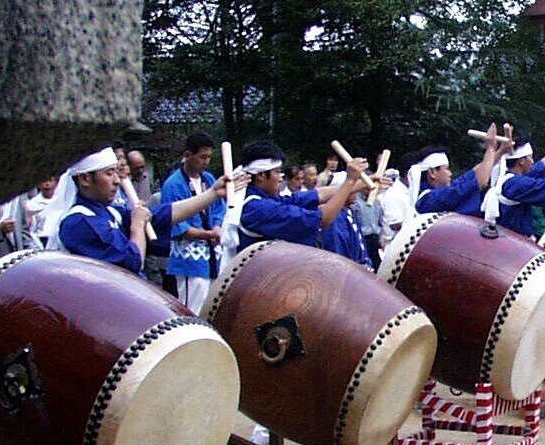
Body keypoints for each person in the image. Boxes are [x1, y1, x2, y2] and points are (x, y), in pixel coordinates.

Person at [43, 147, 239, 280]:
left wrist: (212, 194)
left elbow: (160, 215)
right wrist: (137, 225)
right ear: (85, 179)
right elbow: (132, 261)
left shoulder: (109, 211)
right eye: (109, 174)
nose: (117, 181)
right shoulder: (79, 222)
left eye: (116, 174)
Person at [235, 140, 364, 251]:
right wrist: (350, 181)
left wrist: (364, 182)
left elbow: (315, 195)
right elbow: (323, 218)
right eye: (277, 172)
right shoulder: (258, 208)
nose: (281, 179)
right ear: (260, 175)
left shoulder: (266, 199)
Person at [162, 132, 223, 314]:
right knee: (192, 309)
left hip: (212, 253)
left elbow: (220, 208)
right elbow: (176, 224)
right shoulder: (173, 185)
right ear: (188, 155)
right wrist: (208, 234)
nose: (206, 162)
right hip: (189, 258)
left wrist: (217, 227)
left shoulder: (209, 179)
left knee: (212, 307)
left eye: (209, 157)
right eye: (202, 157)